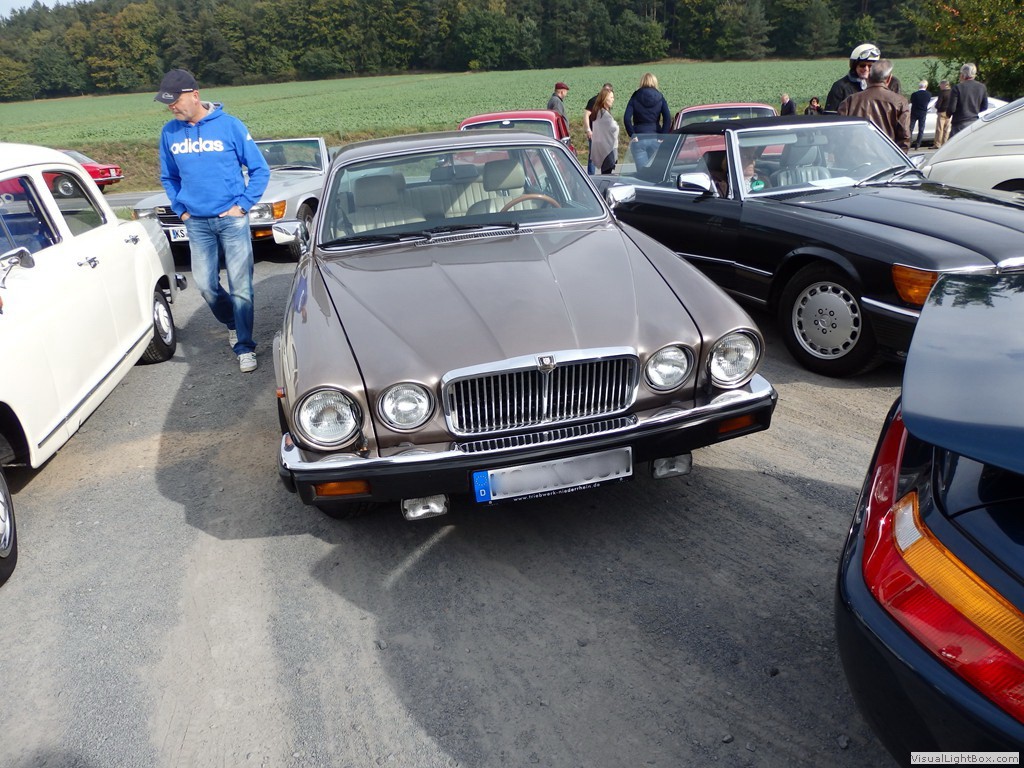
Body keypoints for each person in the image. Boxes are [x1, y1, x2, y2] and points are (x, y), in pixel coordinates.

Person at [155, 69, 270, 373]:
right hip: (196, 222)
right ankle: (233, 321)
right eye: (167, 103)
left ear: (194, 95)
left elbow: (260, 170)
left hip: (232, 220)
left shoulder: (230, 126)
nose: (171, 107)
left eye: (175, 100)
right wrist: (181, 210)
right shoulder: (169, 133)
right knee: (206, 286)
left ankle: (244, 345)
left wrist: (242, 206)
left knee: (241, 286)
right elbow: (169, 177)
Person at [837, 59, 911, 151]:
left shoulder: (850, 101)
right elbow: (905, 137)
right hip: (887, 156)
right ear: (889, 79)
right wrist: (897, 157)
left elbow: (840, 134)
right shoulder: (900, 102)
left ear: (868, 77)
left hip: (855, 155)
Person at [824, 44, 902, 113]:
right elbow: (831, 115)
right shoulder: (841, 86)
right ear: (855, 67)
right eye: (862, 65)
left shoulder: (892, 83)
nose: (866, 69)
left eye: (871, 66)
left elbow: (898, 109)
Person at [623, 73, 672, 170]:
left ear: (642, 82)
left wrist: (632, 134)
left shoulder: (635, 96)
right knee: (656, 171)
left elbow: (626, 118)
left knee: (641, 172)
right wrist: (662, 136)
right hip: (655, 137)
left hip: (639, 138)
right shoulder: (660, 97)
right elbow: (668, 119)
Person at [947, 63, 989, 137]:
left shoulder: (957, 88)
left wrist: (948, 114)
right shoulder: (982, 87)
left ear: (963, 74)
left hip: (959, 123)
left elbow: (951, 109)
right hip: (974, 122)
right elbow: (984, 106)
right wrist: (974, 110)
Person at [584, 82, 614, 174]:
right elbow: (586, 115)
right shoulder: (594, 101)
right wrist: (588, 130)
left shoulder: (607, 102)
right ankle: (591, 177)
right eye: (606, 91)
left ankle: (605, 175)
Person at [589, 87, 619, 175]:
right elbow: (614, 128)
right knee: (607, 173)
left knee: (605, 172)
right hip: (607, 148)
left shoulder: (598, 112)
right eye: (611, 97)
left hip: (602, 146)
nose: (613, 100)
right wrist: (616, 124)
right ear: (605, 99)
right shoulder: (604, 114)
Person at [909, 80, 931, 149]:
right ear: (926, 86)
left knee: (911, 128)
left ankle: (909, 142)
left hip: (914, 112)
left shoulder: (914, 94)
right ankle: (918, 144)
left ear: (919, 86)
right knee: (921, 129)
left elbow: (912, 102)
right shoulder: (928, 94)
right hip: (923, 113)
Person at [933, 80, 953, 148]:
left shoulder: (942, 93)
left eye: (940, 85)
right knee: (946, 129)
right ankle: (945, 143)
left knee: (939, 129)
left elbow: (938, 104)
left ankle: (937, 144)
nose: (940, 87)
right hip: (949, 112)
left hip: (941, 112)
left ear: (944, 85)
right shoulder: (952, 92)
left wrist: (936, 106)